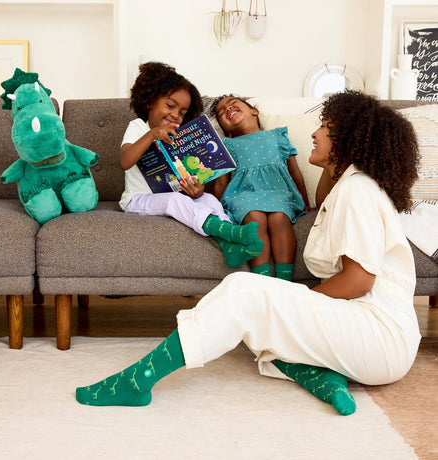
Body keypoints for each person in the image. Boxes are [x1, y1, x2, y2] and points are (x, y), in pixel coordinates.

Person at [76, 91, 421, 416]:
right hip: (365, 331)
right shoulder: (349, 185)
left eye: (325, 128)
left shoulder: (358, 190)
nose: (314, 134)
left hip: (379, 335)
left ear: (348, 139)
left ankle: (140, 380)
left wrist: (291, 301)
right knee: (254, 312)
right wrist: (335, 166)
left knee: (243, 292)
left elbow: (359, 280)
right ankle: (318, 375)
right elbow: (322, 196)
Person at [119, 62, 263, 268]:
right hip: (137, 201)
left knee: (209, 199)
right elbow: (125, 161)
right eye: (170, 106)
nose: (175, 115)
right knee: (174, 201)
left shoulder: (176, 137)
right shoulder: (138, 127)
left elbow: (182, 183)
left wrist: (196, 192)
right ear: (150, 101)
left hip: (167, 195)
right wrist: (152, 135)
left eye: (182, 112)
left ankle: (230, 245)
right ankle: (232, 233)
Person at [211, 95, 310, 280]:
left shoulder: (277, 136)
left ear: (254, 111)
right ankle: (262, 279)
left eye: (232, 103)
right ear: (224, 128)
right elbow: (221, 182)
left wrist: (305, 200)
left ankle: (284, 280)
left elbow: (294, 171)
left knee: (279, 218)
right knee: (254, 219)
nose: (227, 109)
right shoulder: (227, 145)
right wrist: (216, 209)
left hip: (278, 192)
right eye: (221, 112)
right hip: (244, 194)